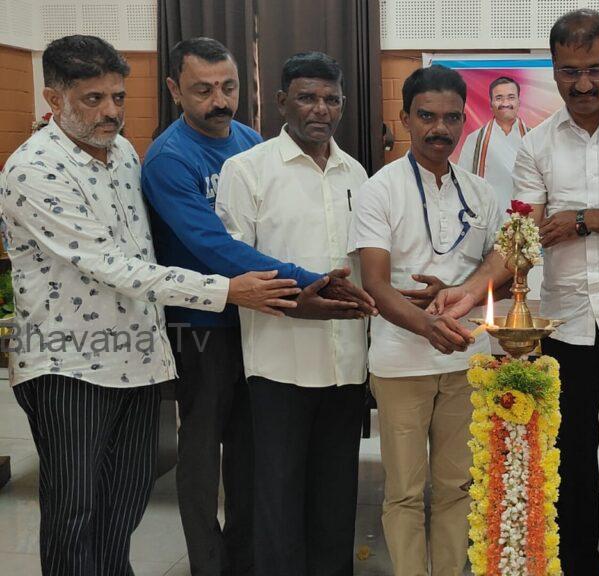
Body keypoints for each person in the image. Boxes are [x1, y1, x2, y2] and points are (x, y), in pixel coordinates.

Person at [0, 35, 300, 576]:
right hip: (68, 362)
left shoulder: (121, 153)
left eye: (118, 97)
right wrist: (225, 290)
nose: (111, 111)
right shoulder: (34, 169)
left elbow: (144, 248)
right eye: (93, 99)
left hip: (137, 357)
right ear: (53, 98)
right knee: (75, 509)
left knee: (128, 498)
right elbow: (113, 265)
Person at [430, 9, 599, 575]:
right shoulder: (538, 144)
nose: (583, 84)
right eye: (569, 71)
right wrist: (468, 291)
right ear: (553, 70)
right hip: (565, 323)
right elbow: (520, 239)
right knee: (567, 460)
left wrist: (586, 219)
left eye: (595, 69)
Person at [141, 38, 370, 575]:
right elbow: (216, 247)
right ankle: (210, 565)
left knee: (254, 459)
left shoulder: (247, 140)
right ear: (174, 89)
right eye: (203, 90)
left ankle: (245, 559)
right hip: (204, 321)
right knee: (203, 454)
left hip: (266, 314)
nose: (219, 101)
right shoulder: (170, 158)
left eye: (228, 87)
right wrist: (314, 284)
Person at [214, 51, 373, 576]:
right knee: (277, 506)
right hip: (278, 365)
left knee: (336, 502)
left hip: (345, 365)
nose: (320, 109)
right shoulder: (247, 170)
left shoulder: (357, 174)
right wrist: (295, 301)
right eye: (307, 97)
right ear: (281, 102)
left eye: (331, 99)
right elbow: (232, 261)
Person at [351, 64, 501, 576]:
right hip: (400, 364)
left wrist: (464, 292)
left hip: (468, 360)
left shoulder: (481, 192)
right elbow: (375, 283)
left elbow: (502, 268)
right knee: (405, 491)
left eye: (452, 117)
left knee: (458, 486)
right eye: (427, 116)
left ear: (464, 120)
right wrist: (427, 328)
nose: (440, 128)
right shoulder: (379, 189)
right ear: (405, 118)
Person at [457, 76, 528, 213]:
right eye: (499, 98)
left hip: (525, 218)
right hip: (487, 215)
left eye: (511, 97)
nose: (505, 103)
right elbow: (463, 182)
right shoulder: (474, 140)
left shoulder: (534, 138)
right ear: (491, 104)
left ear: (519, 102)